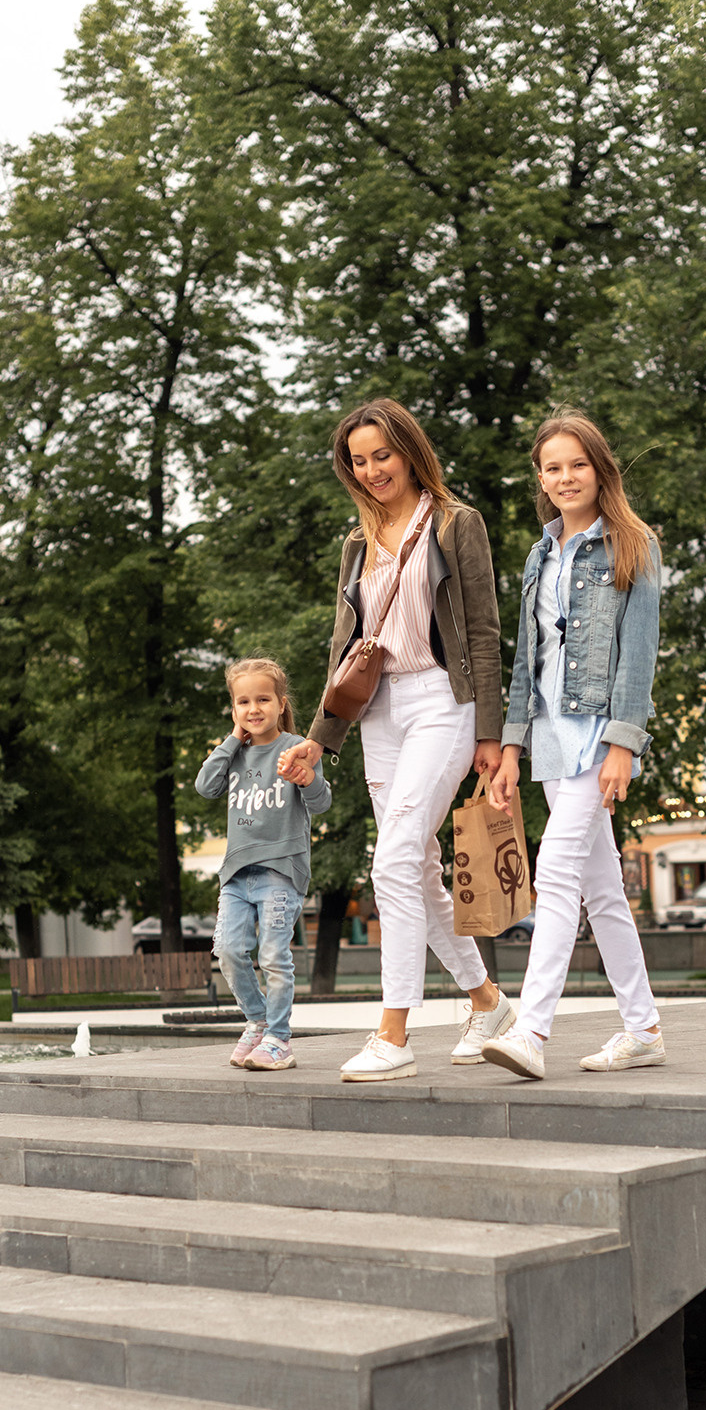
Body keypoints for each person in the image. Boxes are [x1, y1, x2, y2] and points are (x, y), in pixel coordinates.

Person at [278, 398, 511, 1080]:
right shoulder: (356, 541)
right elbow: (343, 646)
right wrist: (320, 738)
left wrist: (490, 734)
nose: (373, 469)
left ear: (409, 451)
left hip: (442, 699)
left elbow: (484, 634)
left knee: (392, 858)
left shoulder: (454, 523)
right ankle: (486, 1001)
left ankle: (393, 1032)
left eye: (382, 454)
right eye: (358, 460)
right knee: (416, 868)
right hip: (379, 712)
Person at [480, 411, 665, 1080]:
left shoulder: (632, 545)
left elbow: (637, 655)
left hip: (598, 735)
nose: (564, 477)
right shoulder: (541, 552)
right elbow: (528, 657)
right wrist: (509, 746)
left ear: (599, 469)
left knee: (555, 873)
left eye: (576, 464)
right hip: (552, 739)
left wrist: (623, 743)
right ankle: (642, 1028)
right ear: (540, 478)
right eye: (552, 467)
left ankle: (530, 1030)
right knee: (602, 889)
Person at [196, 657, 331, 1071]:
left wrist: (309, 780)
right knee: (229, 951)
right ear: (233, 710)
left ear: (280, 702)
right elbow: (206, 787)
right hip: (237, 873)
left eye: (263, 699)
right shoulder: (234, 753)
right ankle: (257, 1022)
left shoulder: (297, 747)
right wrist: (232, 740)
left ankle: (279, 1038)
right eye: (242, 702)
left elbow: (321, 803)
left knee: (273, 955)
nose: (253, 709)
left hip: (280, 870)